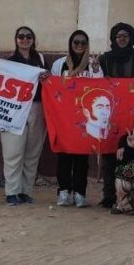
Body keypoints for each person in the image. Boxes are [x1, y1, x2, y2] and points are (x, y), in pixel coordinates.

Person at [97, 22, 134, 208]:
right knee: (110, 154)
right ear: (113, 38)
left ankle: (132, 195)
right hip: (110, 113)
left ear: (131, 38)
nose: (122, 39)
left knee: (131, 153)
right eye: (118, 36)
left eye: (125, 36)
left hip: (132, 113)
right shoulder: (104, 59)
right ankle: (109, 195)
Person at [51, 30, 103, 208]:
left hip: (85, 120)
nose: (79, 46)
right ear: (70, 44)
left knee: (82, 158)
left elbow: (100, 87)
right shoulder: (60, 64)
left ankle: (80, 193)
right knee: (64, 157)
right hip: (65, 118)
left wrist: (96, 71)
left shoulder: (93, 65)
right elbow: (53, 88)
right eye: (76, 42)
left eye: (83, 43)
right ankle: (64, 192)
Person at [1, 25, 49, 206]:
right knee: (13, 152)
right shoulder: (9, 61)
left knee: (32, 152)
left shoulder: (41, 61)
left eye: (28, 36)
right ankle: (12, 192)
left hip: (36, 107)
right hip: (13, 109)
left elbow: (50, 84)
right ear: (16, 39)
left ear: (33, 39)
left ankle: (25, 191)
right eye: (21, 36)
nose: (24, 39)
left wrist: (46, 78)